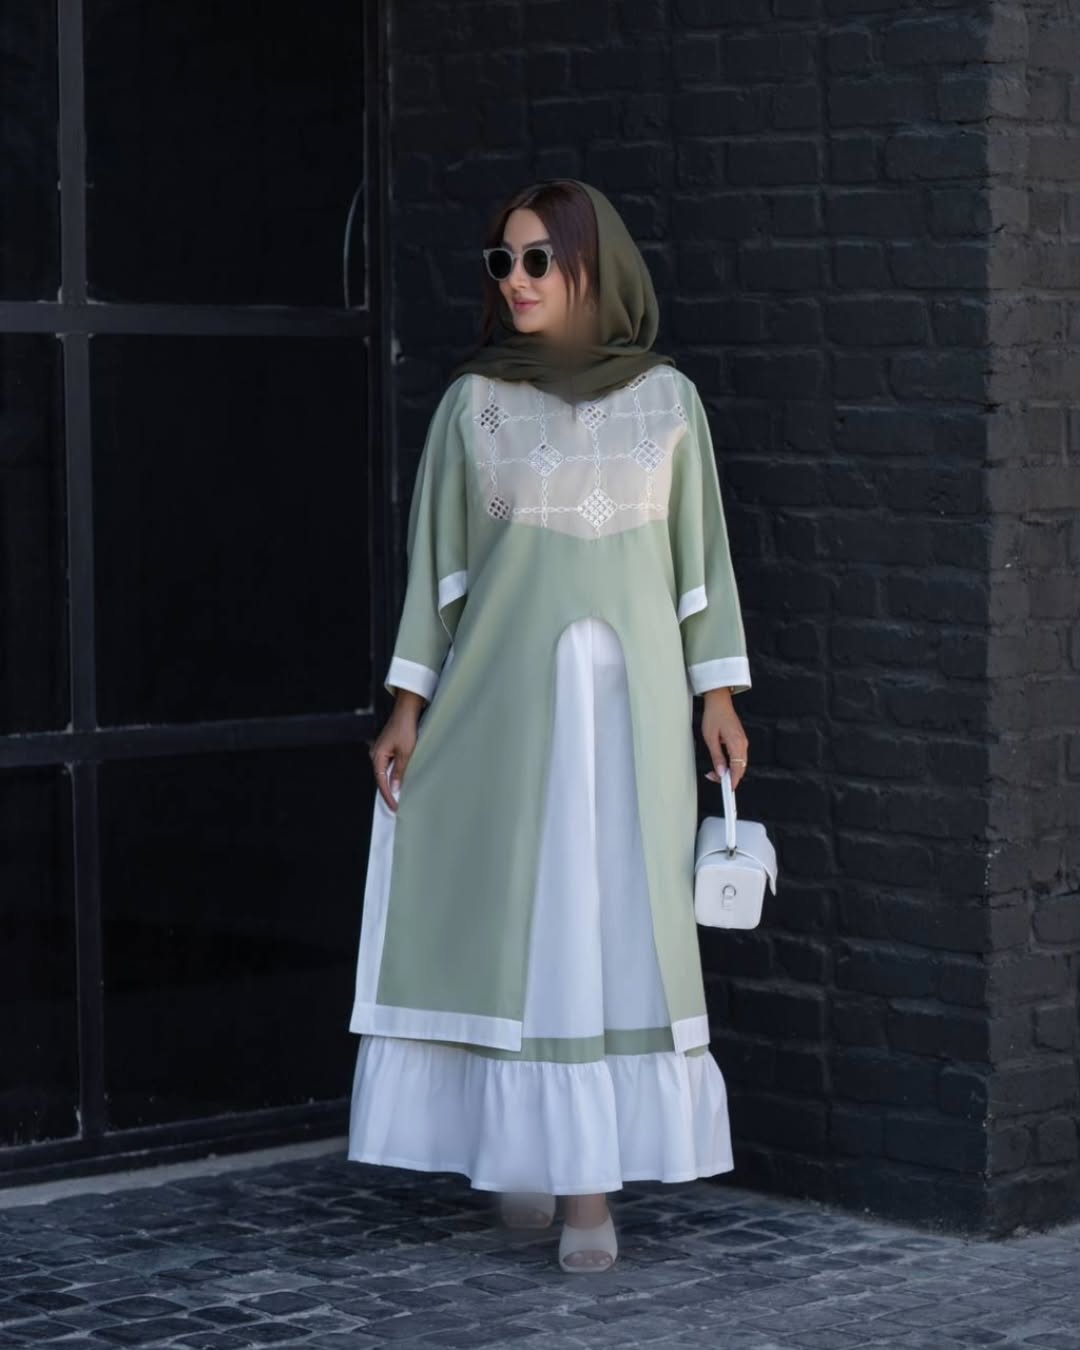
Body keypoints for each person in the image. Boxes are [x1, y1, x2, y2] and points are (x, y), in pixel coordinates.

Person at [346, 179, 751, 1274]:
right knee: (520, 930)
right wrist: (406, 708)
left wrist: (717, 696)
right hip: (505, 718)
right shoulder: (474, 405)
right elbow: (438, 578)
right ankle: (539, 1163)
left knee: (609, 929)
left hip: (629, 731)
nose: (517, 281)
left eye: (538, 259)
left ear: (590, 266)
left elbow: (701, 570)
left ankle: (587, 1190)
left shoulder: (669, 402)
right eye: (503, 262)